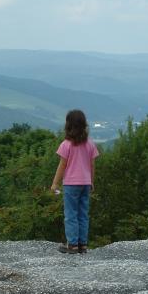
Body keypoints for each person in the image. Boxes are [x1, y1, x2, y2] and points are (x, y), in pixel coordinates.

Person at [50, 109, 99, 254]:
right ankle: (82, 244)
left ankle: (72, 245)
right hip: (85, 183)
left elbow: (62, 165)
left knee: (71, 214)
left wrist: (55, 183)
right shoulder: (90, 144)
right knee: (83, 214)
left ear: (68, 126)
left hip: (71, 184)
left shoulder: (66, 144)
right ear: (84, 126)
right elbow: (92, 165)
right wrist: (91, 181)